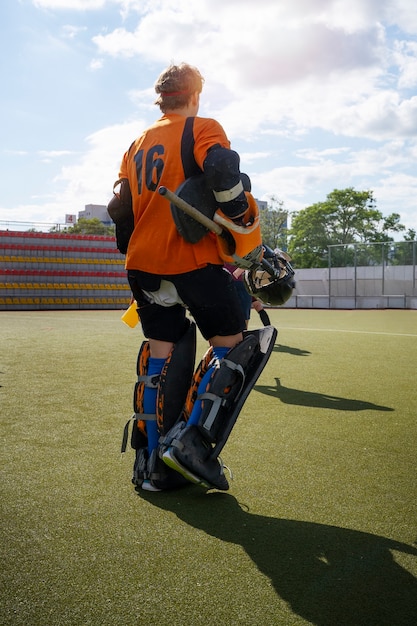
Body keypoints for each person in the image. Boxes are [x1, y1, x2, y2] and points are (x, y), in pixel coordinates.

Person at [109, 62, 265, 493]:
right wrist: (237, 219)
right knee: (231, 347)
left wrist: (136, 244)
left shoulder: (135, 144)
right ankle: (189, 445)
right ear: (195, 95)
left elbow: (119, 208)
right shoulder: (202, 126)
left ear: (162, 99)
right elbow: (220, 170)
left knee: (159, 353)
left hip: (142, 265)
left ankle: (151, 462)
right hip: (192, 260)